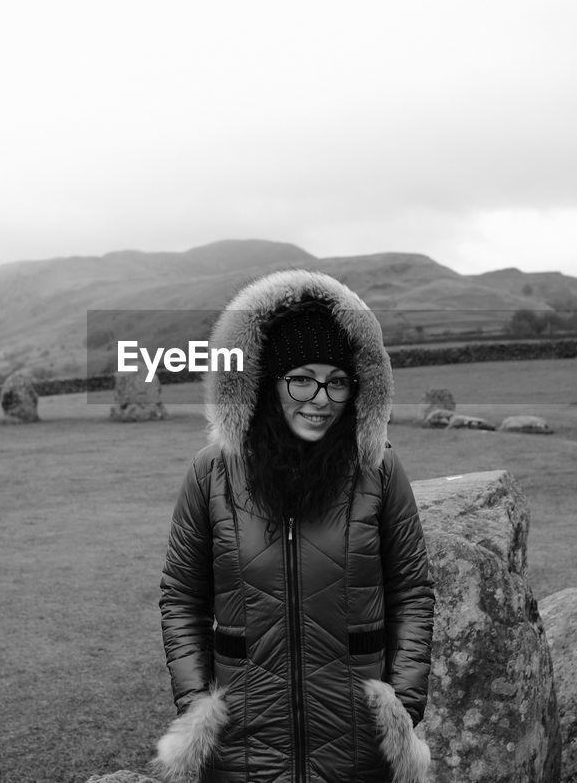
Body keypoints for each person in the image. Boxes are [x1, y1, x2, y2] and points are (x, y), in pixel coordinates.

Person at [154, 269, 434, 783]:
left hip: (358, 750)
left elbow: (412, 592)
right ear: (264, 383)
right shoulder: (211, 472)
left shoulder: (379, 470)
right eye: (301, 378)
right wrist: (197, 705)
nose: (321, 398)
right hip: (242, 750)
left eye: (338, 381)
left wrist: (403, 704)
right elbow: (181, 598)